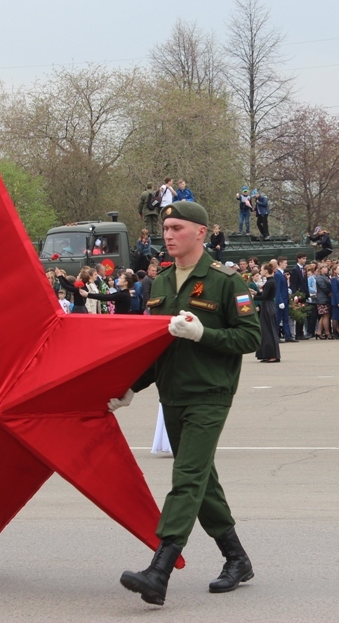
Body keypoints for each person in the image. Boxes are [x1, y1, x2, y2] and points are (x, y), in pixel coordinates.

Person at [117, 200, 260, 606]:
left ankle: (159, 570)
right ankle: (237, 558)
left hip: (210, 394)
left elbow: (250, 338)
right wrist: (131, 388)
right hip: (172, 395)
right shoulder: (160, 283)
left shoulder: (226, 281)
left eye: (178, 227)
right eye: (166, 227)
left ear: (201, 232)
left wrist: (204, 335)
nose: (168, 233)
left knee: (187, 479)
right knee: (202, 481)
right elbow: (154, 349)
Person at [253, 261, 281, 362]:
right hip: (268, 305)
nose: (260, 271)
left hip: (267, 306)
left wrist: (253, 296)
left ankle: (272, 355)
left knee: (268, 330)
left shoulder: (269, 282)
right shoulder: (270, 281)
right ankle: (267, 354)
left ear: (266, 270)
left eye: (261, 269)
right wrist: (256, 293)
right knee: (266, 330)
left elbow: (264, 296)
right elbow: (265, 294)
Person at [274, 257, 294, 342]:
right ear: (280, 263)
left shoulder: (282, 274)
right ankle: (275, 337)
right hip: (281, 301)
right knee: (277, 319)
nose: (286, 264)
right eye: (285, 263)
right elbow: (277, 289)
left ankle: (288, 336)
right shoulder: (278, 274)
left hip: (285, 300)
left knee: (285, 318)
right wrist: (280, 301)